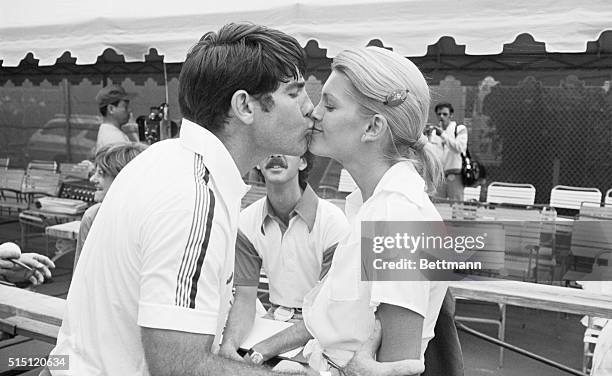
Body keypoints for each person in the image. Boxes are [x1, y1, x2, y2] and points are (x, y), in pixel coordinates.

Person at [49, 22, 324, 376]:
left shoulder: (164, 158)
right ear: (244, 106)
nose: (312, 109)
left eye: (322, 101)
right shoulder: (195, 198)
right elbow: (179, 367)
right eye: (295, 92)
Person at [250, 46, 451, 376]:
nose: (313, 113)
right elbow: (343, 321)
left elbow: (399, 368)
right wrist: (266, 349)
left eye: (329, 105)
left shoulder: (398, 218)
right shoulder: (373, 205)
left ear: (373, 128)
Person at [219, 152, 350, 362]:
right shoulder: (246, 222)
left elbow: (329, 311)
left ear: (303, 162)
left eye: (285, 148)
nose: (275, 154)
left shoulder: (333, 223)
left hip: (319, 331)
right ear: (258, 164)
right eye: (267, 148)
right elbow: (245, 299)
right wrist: (229, 346)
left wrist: (262, 350)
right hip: (273, 320)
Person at [74, 142, 148, 270]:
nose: (93, 179)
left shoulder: (151, 219)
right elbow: (80, 273)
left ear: (123, 177)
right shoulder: (93, 216)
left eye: (101, 173)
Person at [428, 102, 467, 201]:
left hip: (454, 174)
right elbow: (431, 153)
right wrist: (427, 137)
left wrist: (443, 135)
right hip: (439, 175)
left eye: (445, 114)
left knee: (457, 206)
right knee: (437, 206)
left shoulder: (460, 129)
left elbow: (459, 148)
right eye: (439, 114)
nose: (441, 116)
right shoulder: (434, 132)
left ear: (451, 115)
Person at [94, 84, 139, 151]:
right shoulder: (114, 138)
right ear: (111, 109)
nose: (130, 110)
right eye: (125, 107)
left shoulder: (109, 132)